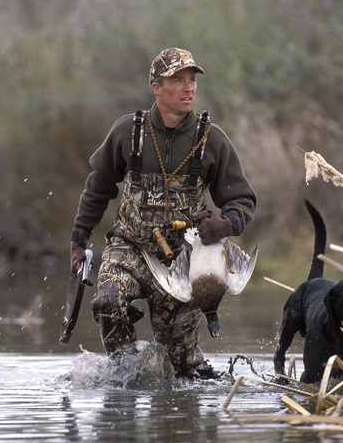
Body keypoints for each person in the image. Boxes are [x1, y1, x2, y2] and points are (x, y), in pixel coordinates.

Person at [70, 47, 256, 377]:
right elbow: (98, 187)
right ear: (157, 87)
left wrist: (223, 226)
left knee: (184, 370)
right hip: (128, 249)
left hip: (182, 262)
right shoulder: (128, 132)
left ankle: (182, 367)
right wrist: (79, 238)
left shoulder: (212, 140)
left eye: (192, 81)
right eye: (178, 81)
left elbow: (242, 200)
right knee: (110, 302)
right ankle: (124, 377)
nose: (189, 88)